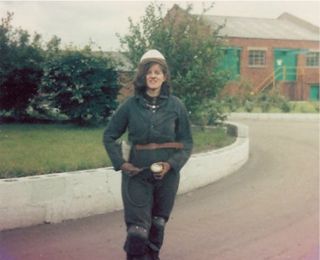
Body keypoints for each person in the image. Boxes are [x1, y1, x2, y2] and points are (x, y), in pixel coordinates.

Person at [103, 49, 193, 260]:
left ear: (164, 76)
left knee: (157, 225)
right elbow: (109, 136)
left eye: (157, 72)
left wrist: (170, 165)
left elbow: (186, 142)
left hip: (167, 177)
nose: (153, 76)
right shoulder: (130, 106)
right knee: (137, 232)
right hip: (137, 175)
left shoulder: (176, 106)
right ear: (142, 76)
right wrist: (122, 164)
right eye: (148, 72)